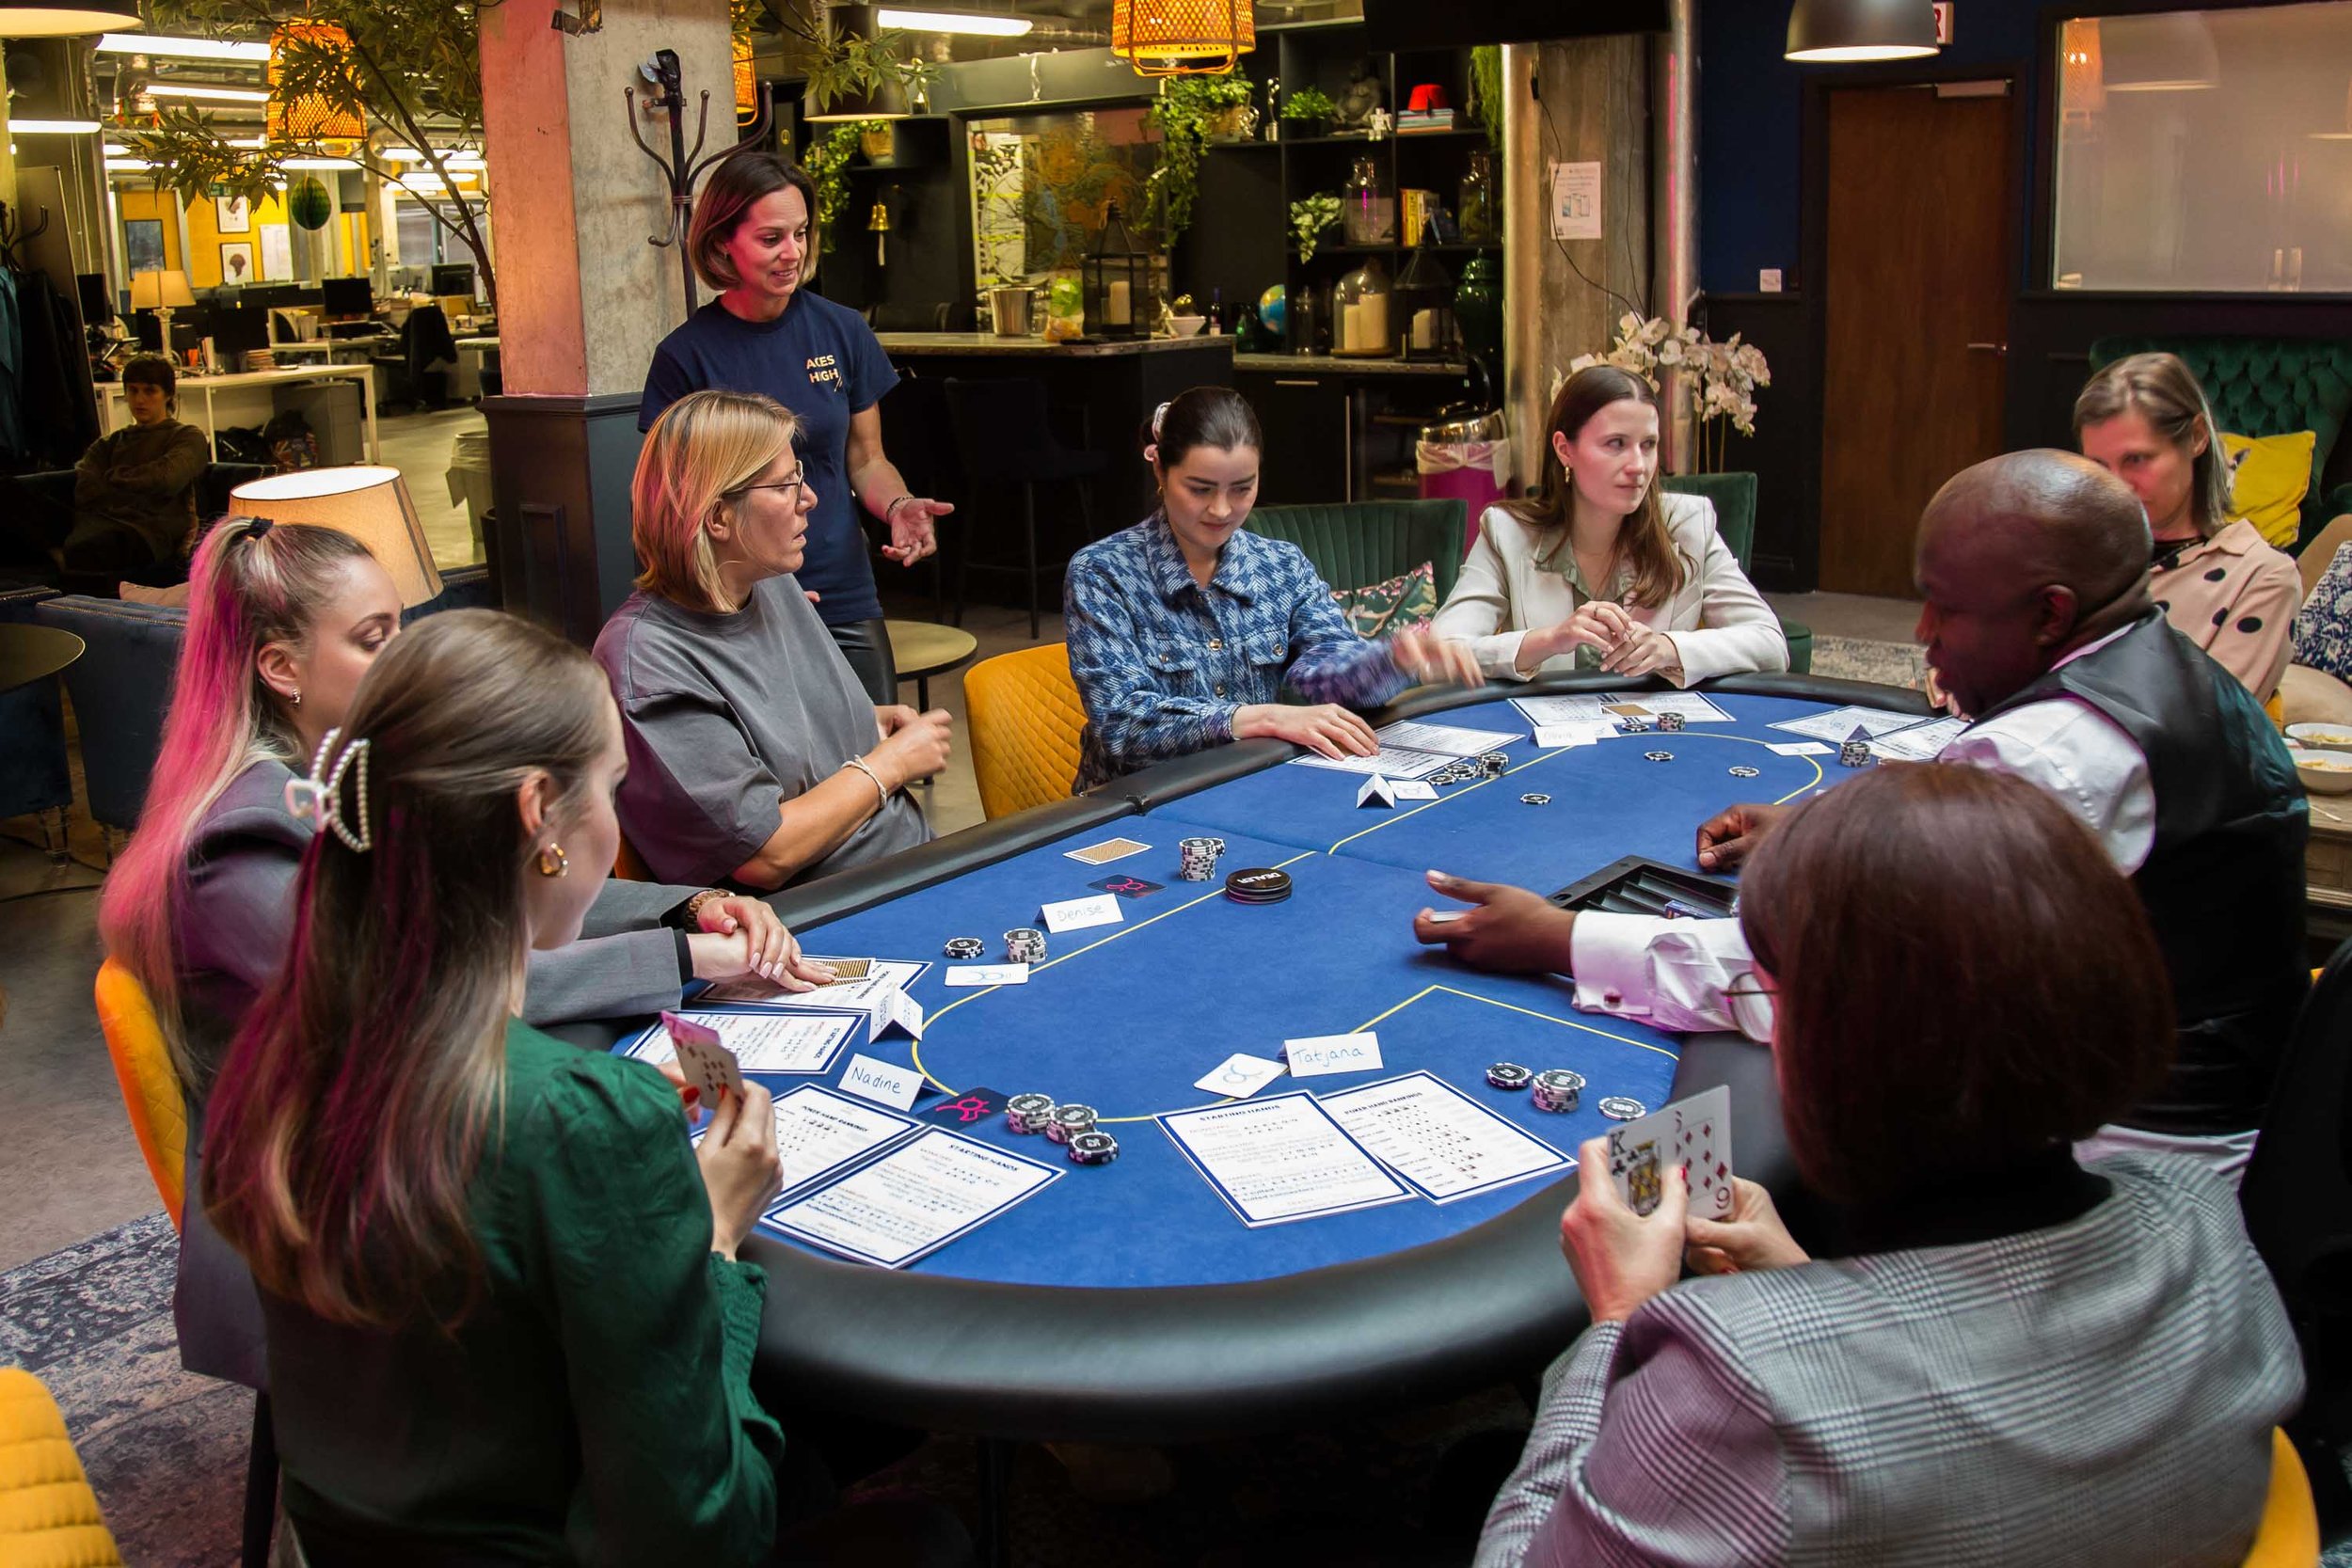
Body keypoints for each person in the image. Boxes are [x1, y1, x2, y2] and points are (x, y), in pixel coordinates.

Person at [199, 611, 968, 1564]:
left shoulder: (273, 1043)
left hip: (359, 1528)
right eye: (608, 791)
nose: (616, 823)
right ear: (538, 816)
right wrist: (716, 1241)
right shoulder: (583, 1115)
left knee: (838, 1440)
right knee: (927, 1533)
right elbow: (696, 1534)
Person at [1472, 764, 2301, 1567]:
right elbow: (1977, 1420)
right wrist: (1794, 1271)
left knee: (1472, 1481)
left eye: (1771, 997)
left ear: (1845, 1057)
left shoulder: (1734, 1374)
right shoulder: (2203, 1212)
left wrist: (1620, 1322)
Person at [1416, 451, 2307, 1181]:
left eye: (1947, 606)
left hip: (2128, 1165)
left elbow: (1836, 980)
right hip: (2213, 1107)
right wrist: (1821, 832)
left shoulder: (2057, 752)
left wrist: (1561, 940)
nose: (1921, 632)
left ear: (2051, 613)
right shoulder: (2151, 665)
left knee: (1719, 1143)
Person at [98, 517, 821, 1390]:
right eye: (373, 640)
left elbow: (503, 888)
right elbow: (428, 986)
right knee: (642, 1285)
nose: (404, 660)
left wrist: (691, 901)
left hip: (411, 1137)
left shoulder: (342, 770)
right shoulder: (244, 840)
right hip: (331, 1232)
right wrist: (684, 955)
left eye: (400, 627)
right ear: (281, 668)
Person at [596, 389, 945, 890]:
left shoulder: (770, 584)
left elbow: (764, 729)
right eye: (785, 485)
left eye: (800, 476)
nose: (810, 498)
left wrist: (862, 722)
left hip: (911, 863)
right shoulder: (648, 661)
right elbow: (765, 853)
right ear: (718, 517)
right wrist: (890, 764)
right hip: (825, 915)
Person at [641, 149, 950, 702]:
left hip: (842, 589)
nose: (793, 253)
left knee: (876, 760)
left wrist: (899, 507)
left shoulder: (842, 331)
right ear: (721, 244)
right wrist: (735, 598)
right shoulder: (685, 356)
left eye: (801, 234)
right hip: (739, 602)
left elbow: (865, 459)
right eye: (771, 239)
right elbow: (676, 504)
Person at [1064, 386, 1482, 790]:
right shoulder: (1103, 574)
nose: (1222, 509)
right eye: (1200, 489)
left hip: (1248, 789)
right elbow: (1123, 724)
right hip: (1135, 805)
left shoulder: (1279, 566)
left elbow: (1326, 673)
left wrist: (1392, 660)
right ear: (1160, 469)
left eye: (1242, 488)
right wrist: (1258, 718)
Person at [1430, 366, 1785, 683]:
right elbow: (1437, 656)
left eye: (1648, 445)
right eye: (1616, 444)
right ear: (1564, 449)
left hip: (1656, 741)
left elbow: (1770, 645)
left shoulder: (1689, 524)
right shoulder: (1507, 532)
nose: (1639, 465)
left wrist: (1669, 649)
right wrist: (1550, 640)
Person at [2076, 351, 2299, 702]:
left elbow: (2212, 727)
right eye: (2099, 465)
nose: (2117, 485)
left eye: (2137, 459)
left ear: (2196, 437)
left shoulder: (2261, 575)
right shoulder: (2070, 553)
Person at [0, 355, 211, 585]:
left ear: (167, 394)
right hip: (93, 520)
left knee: (98, 543)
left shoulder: (186, 436)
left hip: (145, 531)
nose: (140, 399)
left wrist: (112, 478)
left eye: (150, 391)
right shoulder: (108, 444)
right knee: (7, 490)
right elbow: (86, 491)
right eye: (133, 391)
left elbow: (166, 479)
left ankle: (62, 556)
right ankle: (58, 553)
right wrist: (134, 487)